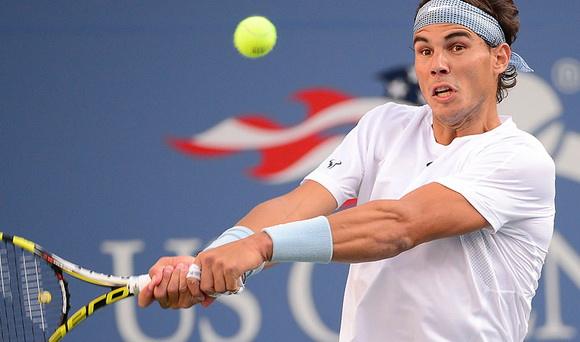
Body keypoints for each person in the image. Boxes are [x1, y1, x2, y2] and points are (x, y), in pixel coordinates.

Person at [138, 0, 555, 340]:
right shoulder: (384, 125)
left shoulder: (519, 158)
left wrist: (259, 247)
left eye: (457, 46)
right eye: (424, 49)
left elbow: (398, 225)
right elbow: (299, 204)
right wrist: (206, 262)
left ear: (499, 58)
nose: (437, 64)